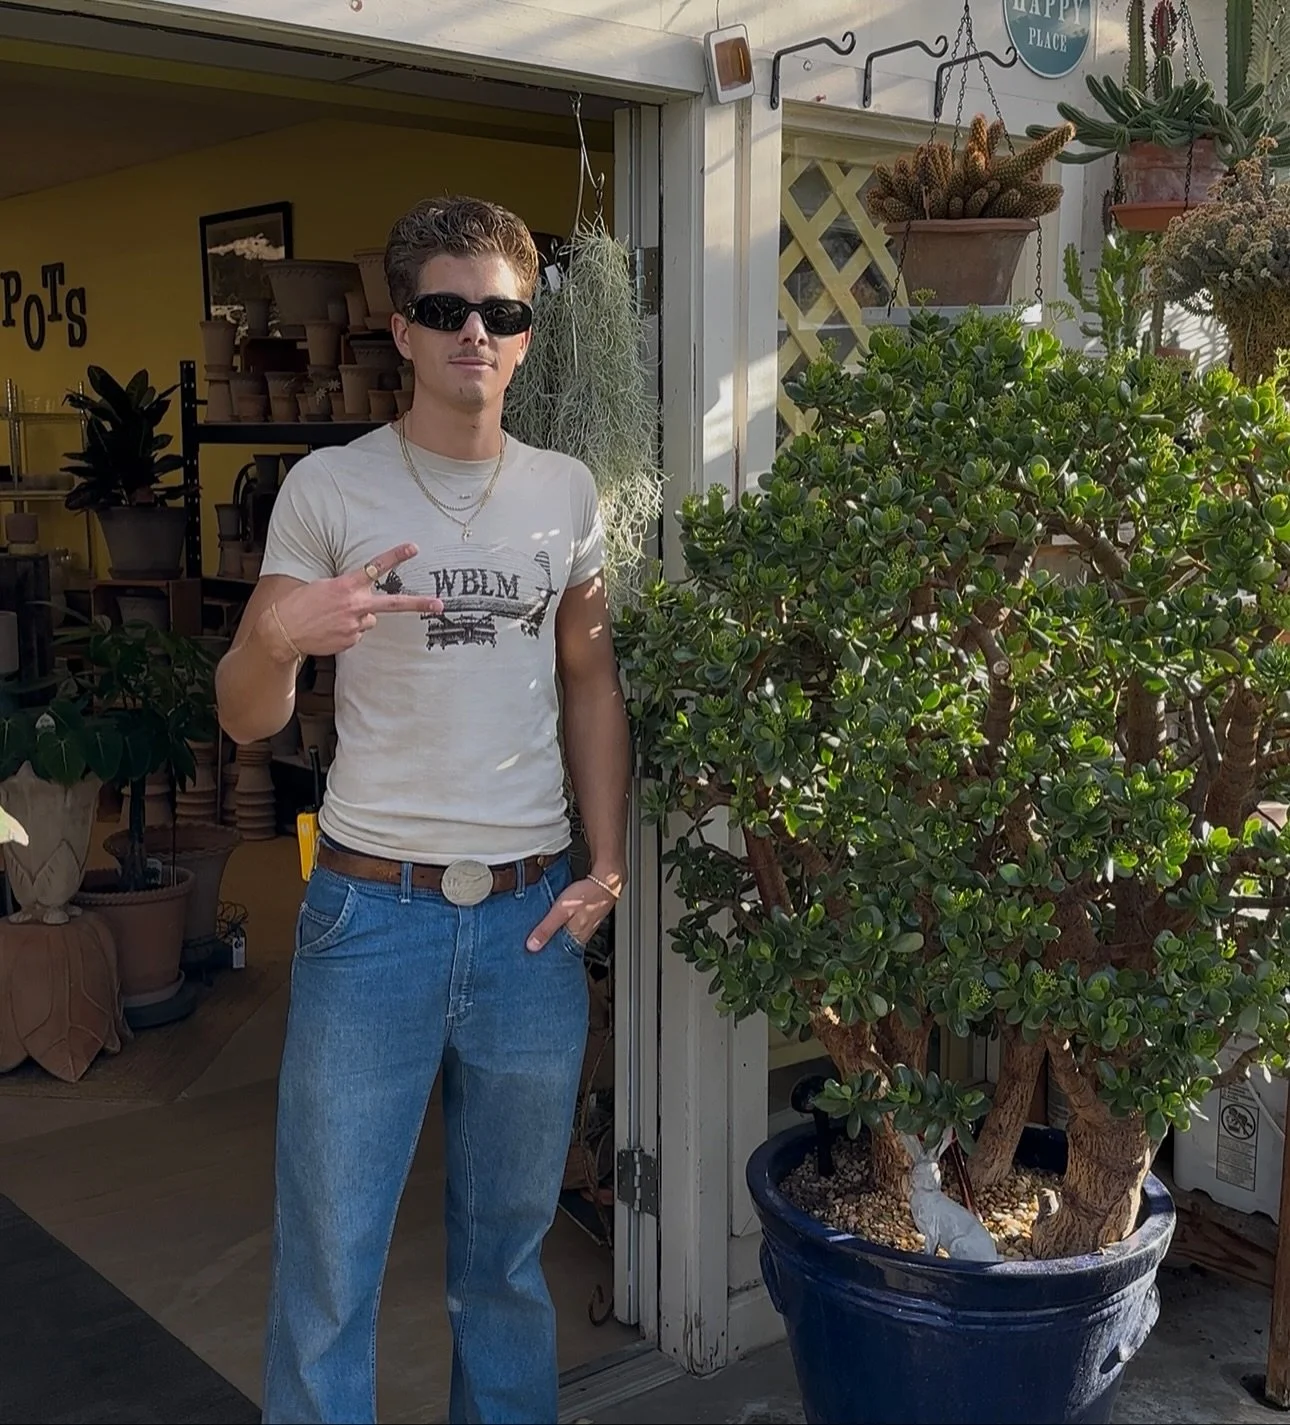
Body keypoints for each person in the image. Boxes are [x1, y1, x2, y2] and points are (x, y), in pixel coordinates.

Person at [215, 196, 631, 1425]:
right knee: (331, 1268)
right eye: (447, 311)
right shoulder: (329, 487)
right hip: (370, 916)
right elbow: (245, 715)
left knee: (504, 1267)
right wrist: (284, 635)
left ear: (528, 335)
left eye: (501, 314)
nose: (476, 336)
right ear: (401, 330)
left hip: (526, 925)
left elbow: (590, 678)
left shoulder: (564, 490)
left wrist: (605, 867)